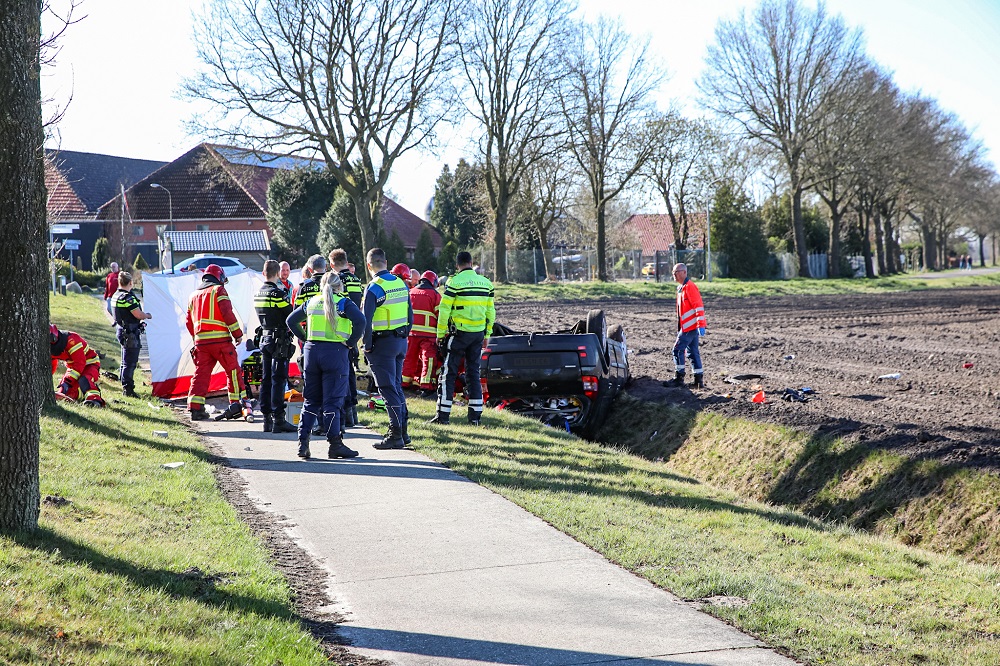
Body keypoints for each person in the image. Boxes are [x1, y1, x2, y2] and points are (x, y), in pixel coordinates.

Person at [286, 272, 366, 459]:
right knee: (332, 402)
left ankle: (303, 443)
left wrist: (306, 338)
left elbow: (290, 320)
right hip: (335, 354)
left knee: (311, 400)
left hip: (312, 352)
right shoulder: (343, 302)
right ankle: (335, 445)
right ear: (340, 286)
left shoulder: (312, 301)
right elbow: (361, 321)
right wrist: (351, 342)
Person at [431, 251, 495, 426]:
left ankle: (442, 416)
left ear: (457, 264)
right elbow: (491, 312)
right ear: (471, 262)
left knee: (449, 372)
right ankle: (475, 417)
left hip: (458, 335)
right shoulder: (486, 284)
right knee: (473, 373)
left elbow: (444, 310)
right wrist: (487, 334)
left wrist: (440, 333)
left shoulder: (454, 282)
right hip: (478, 335)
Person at [361, 248, 413, 449]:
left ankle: (396, 434)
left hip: (383, 344)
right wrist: (403, 335)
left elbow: (366, 321)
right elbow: (410, 315)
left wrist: (367, 345)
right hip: (400, 341)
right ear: (386, 262)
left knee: (387, 388)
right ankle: (404, 432)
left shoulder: (374, 287)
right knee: (396, 386)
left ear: (369, 265)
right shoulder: (400, 283)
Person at [186, 264, 248, 420]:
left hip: (201, 343)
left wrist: (196, 339)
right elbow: (227, 313)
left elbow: (188, 321)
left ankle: (196, 408)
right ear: (219, 277)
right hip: (221, 341)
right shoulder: (218, 290)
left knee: (201, 374)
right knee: (233, 371)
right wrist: (238, 334)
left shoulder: (193, 295)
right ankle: (237, 405)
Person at [254, 260, 296, 433]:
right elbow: (291, 313)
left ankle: (266, 418)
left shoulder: (258, 294)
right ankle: (278, 418)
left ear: (263, 273)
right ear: (278, 274)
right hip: (279, 340)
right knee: (278, 379)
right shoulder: (278, 294)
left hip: (264, 338)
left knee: (266, 378)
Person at [330, 248, 364, 427]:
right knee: (350, 372)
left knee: (343, 374)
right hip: (354, 330)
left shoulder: (338, 280)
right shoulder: (356, 279)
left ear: (332, 264)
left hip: (341, 332)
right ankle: (353, 415)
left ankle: (346, 414)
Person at [664, 262, 707, 389]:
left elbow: (698, 306)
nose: (674, 275)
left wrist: (701, 324)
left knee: (677, 349)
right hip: (687, 326)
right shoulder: (681, 288)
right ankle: (698, 380)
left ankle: (679, 378)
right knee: (693, 352)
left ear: (684, 272)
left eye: (676, 272)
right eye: (673, 272)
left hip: (690, 327)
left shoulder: (689, 287)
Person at [111, 271, 152, 398]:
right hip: (130, 333)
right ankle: (128, 389)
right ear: (130, 283)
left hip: (121, 330)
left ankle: (125, 385)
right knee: (130, 362)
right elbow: (138, 314)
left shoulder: (115, 295)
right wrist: (147, 315)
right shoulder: (128, 297)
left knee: (125, 361)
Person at [402, 270, 441, 395]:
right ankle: (426, 385)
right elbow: (440, 315)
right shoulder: (434, 295)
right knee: (428, 360)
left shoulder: (410, 292)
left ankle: (404, 383)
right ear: (433, 281)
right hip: (428, 335)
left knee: (409, 358)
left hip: (411, 333)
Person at [50, 324, 106, 407]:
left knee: (85, 379)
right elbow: (52, 364)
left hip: (90, 363)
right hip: (73, 367)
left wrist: (68, 381)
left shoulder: (72, 340)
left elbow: (80, 363)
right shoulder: (48, 347)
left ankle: (95, 400)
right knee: (67, 391)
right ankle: (83, 394)